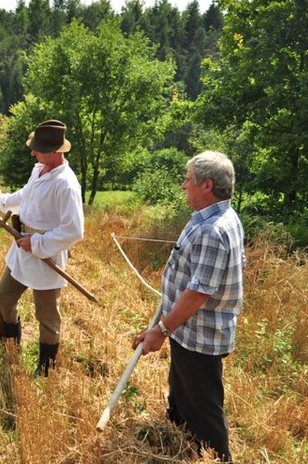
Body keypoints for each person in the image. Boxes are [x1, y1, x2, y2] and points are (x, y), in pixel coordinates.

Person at [132, 151, 245, 462]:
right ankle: (181, 444)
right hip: (190, 332)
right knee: (182, 392)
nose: (183, 185)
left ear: (206, 185)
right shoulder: (215, 217)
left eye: (188, 179)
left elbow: (197, 293)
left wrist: (161, 329)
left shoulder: (213, 230)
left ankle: (218, 457)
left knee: (204, 406)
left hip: (200, 334)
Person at [0, 119, 84, 377]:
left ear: (56, 152)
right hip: (22, 252)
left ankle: (45, 370)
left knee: (47, 317)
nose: (33, 152)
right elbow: (26, 195)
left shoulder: (66, 184)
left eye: (38, 148)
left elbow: (74, 230)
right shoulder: (39, 169)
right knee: (4, 298)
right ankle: (9, 348)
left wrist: (37, 243)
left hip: (47, 257)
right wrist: (5, 202)